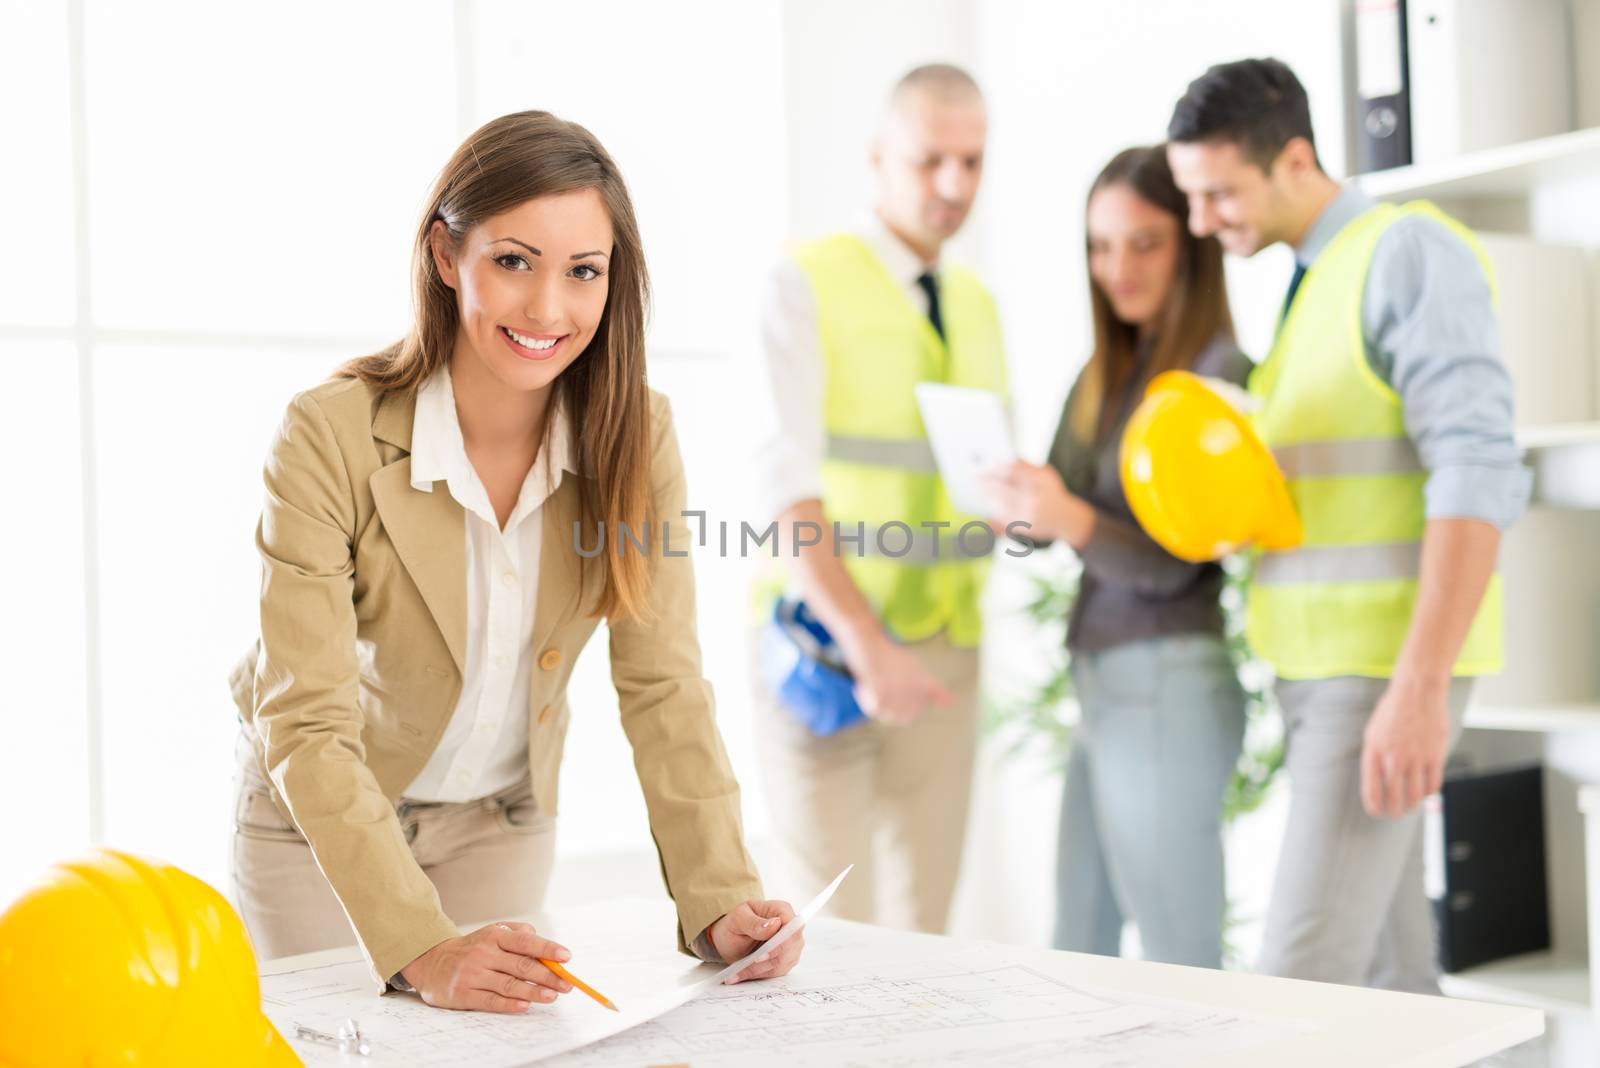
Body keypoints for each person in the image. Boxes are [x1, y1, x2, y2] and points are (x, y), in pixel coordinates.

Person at [227, 110, 803, 1011]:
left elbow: (664, 685)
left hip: (499, 824)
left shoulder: (636, 435)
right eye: (513, 260)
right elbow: (304, 724)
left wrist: (719, 896)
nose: (548, 309)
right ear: (446, 256)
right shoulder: (326, 433)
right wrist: (421, 945)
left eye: (584, 272)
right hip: (316, 838)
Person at [1165, 58, 1529, 992]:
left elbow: (1479, 468)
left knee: (1300, 983)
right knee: (1391, 979)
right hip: (1324, 672)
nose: (1203, 223)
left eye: (1219, 194)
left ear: (1293, 161)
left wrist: (1420, 692)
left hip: (1380, 675)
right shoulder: (1309, 285)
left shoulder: (1407, 251)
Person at [750, 64, 1007, 932]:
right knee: (826, 939)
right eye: (931, 159)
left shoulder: (975, 304)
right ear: (877, 156)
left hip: (944, 654)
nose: (954, 185)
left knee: (922, 936)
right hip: (828, 649)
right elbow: (784, 485)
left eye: (972, 162)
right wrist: (865, 642)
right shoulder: (802, 283)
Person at [981, 146, 1249, 969]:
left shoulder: (1218, 373)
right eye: (1101, 246)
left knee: (1181, 955)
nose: (1117, 268)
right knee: (1079, 946)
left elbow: (1179, 563)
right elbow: (1062, 515)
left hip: (1168, 680)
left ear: (1191, 245)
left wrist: (1068, 517)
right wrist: (1019, 512)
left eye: (1144, 242)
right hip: (1105, 683)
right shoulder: (1102, 375)